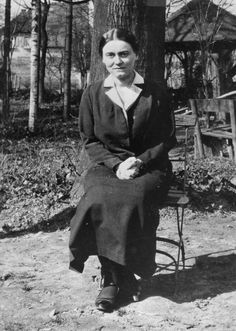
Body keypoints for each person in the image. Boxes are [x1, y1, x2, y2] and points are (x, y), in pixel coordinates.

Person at [69, 28, 176, 312]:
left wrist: (140, 161)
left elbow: (168, 138)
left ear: (136, 55)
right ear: (103, 59)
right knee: (97, 198)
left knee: (133, 198)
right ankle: (118, 278)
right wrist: (117, 165)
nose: (118, 61)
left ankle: (116, 277)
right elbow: (89, 140)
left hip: (151, 166)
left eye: (124, 54)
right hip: (107, 166)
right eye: (111, 55)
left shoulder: (156, 92)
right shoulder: (93, 93)